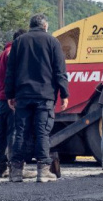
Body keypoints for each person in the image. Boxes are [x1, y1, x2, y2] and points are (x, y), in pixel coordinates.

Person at [5, 14, 69, 183]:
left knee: (20, 132)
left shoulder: (19, 42)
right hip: (45, 95)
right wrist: (64, 93)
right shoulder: (52, 41)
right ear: (45, 25)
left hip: (23, 94)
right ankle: (43, 171)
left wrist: (10, 94)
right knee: (42, 132)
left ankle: (16, 172)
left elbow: (10, 71)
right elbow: (59, 70)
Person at [0, 28, 35, 180]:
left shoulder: (1, 54)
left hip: (0, 98)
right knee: (14, 133)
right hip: (11, 98)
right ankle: (15, 167)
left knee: (2, 134)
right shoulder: (14, 53)